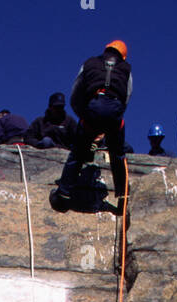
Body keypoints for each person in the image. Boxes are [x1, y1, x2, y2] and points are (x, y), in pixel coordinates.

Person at [50, 39, 132, 215]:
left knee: (78, 153)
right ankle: (123, 197)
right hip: (115, 111)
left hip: (93, 107)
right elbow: (126, 96)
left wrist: (84, 115)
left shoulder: (90, 63)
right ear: (122, 55)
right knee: (118, 155)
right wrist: (114, 114)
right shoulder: (126, 69)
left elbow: (76, 92)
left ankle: (63, 194)